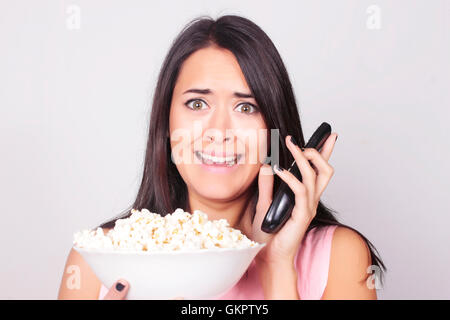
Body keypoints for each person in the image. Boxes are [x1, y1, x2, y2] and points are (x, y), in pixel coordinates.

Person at [58, 14, 386, 300]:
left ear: (274, 129)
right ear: (166, 123)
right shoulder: (95, 259)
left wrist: (277, 267)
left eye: (246, 107)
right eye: (198, 104)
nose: (219, 131)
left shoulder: (339, 256)